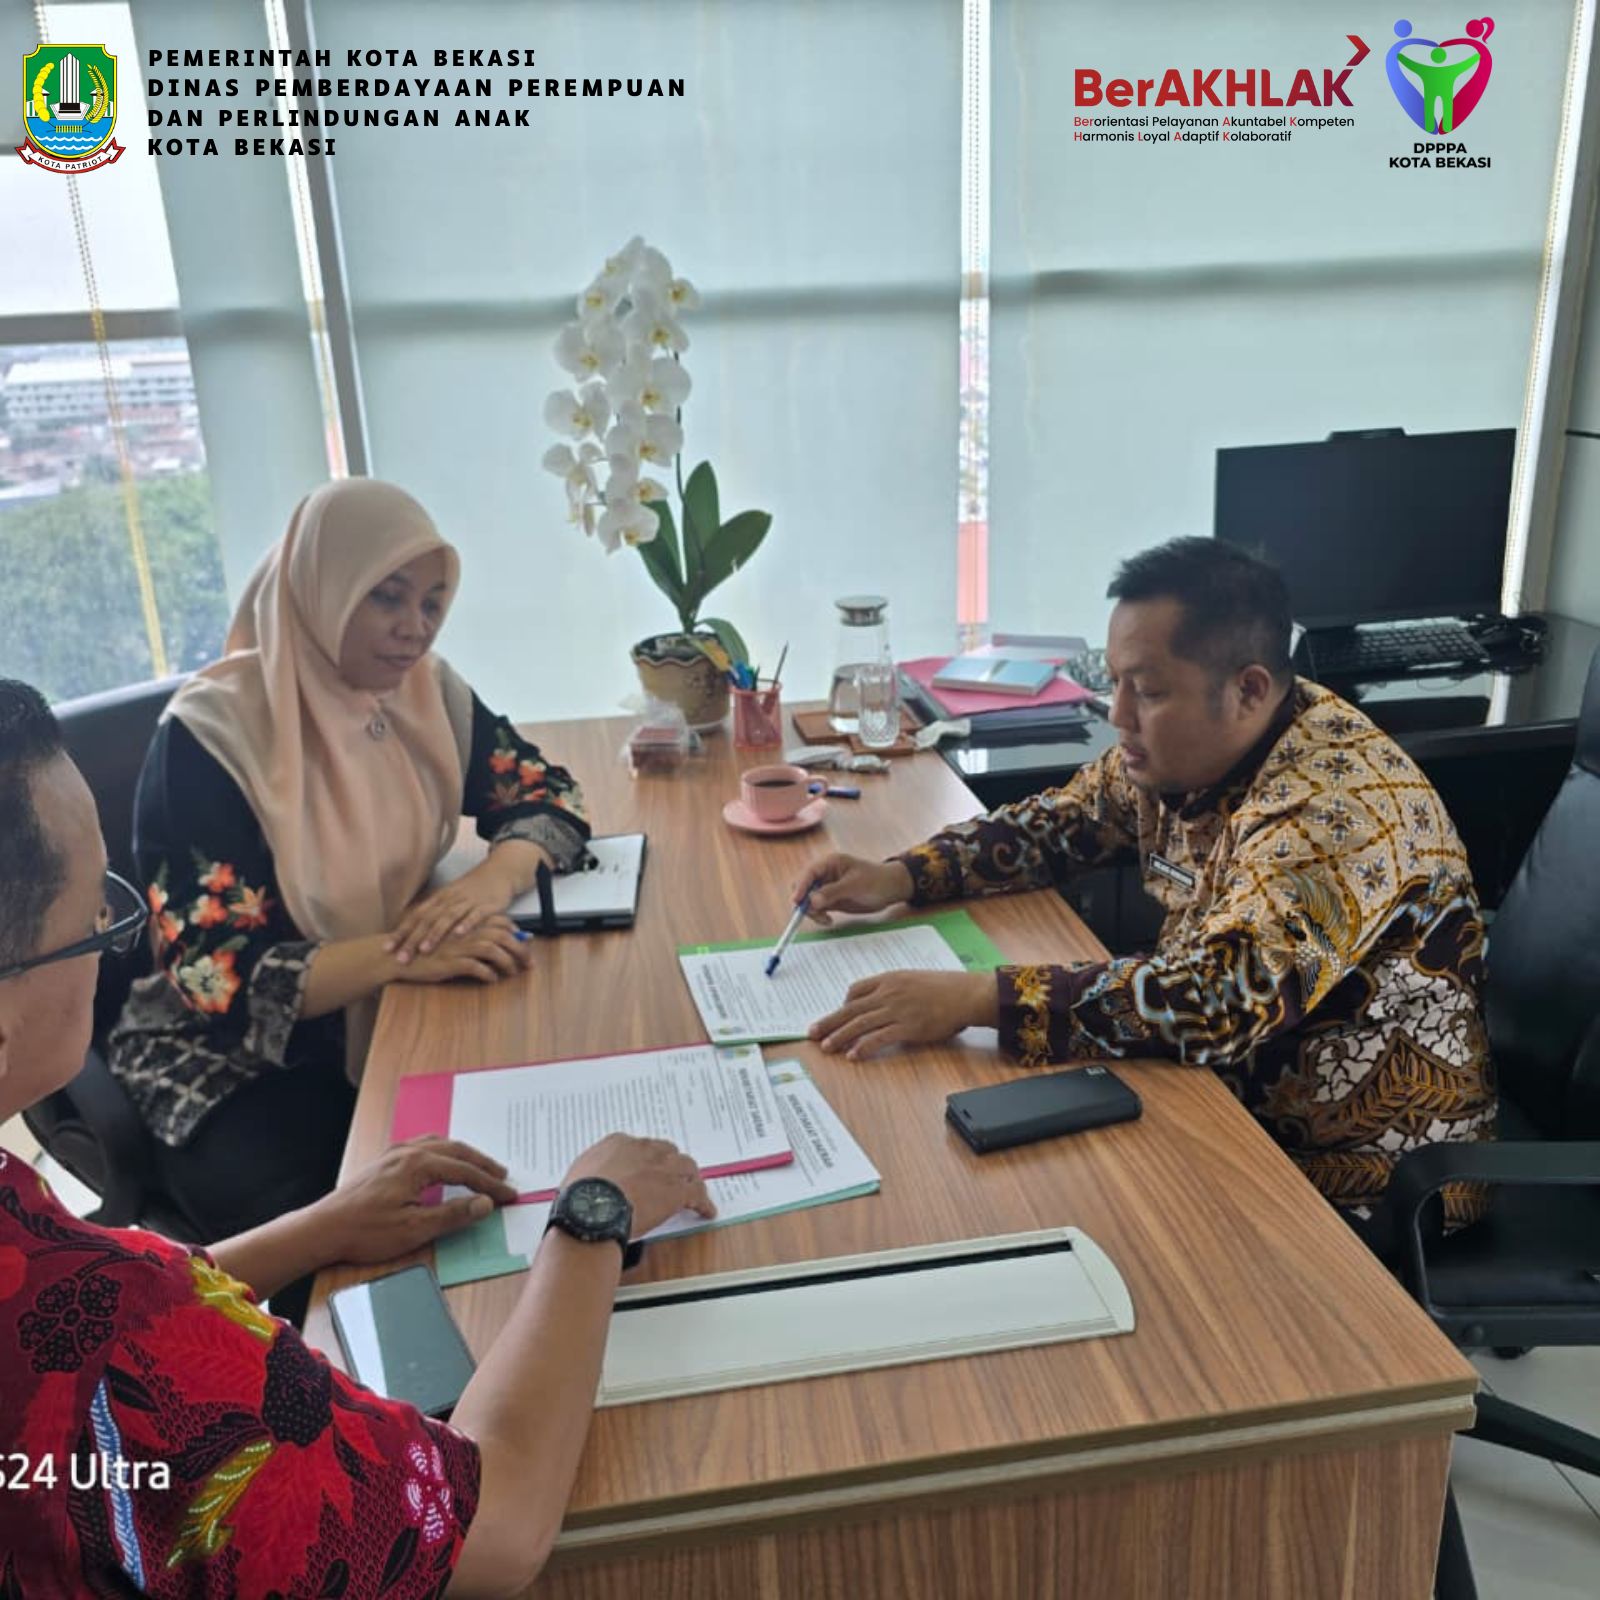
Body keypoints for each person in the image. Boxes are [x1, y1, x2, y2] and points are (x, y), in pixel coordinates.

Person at [0, 676, 715, 1595]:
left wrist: (324, 1227)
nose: (112, 935)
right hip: (228, 1067)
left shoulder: (72, 1292)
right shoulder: (111, 1332)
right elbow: (486, 1529)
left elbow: (92, 1324)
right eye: (93, 918)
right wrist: (590, 1220)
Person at [799, 538, 1497, 1240]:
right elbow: (1064, 821)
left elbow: (1220, 998)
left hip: (1364, 1176)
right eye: (1116, 682)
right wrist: (902, 875)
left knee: (1033, 1218)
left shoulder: (1335, 812)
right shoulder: (1192, 750)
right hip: (1217, 1100)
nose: (1118, 714)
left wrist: (978, 999)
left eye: (1150, 691)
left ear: (1250, 689)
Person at [108, 479, 590, 1251]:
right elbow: (213, 975)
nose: (415, 629)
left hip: (393, 1002)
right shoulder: (210, 737)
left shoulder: (423, 690)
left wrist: (492, 879)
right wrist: (404, 954)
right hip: (229, 1065)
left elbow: (547, 791)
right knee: (385, 1242)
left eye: (433, 603)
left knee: (518, 1164)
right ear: (321, 586)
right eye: (387, 597)